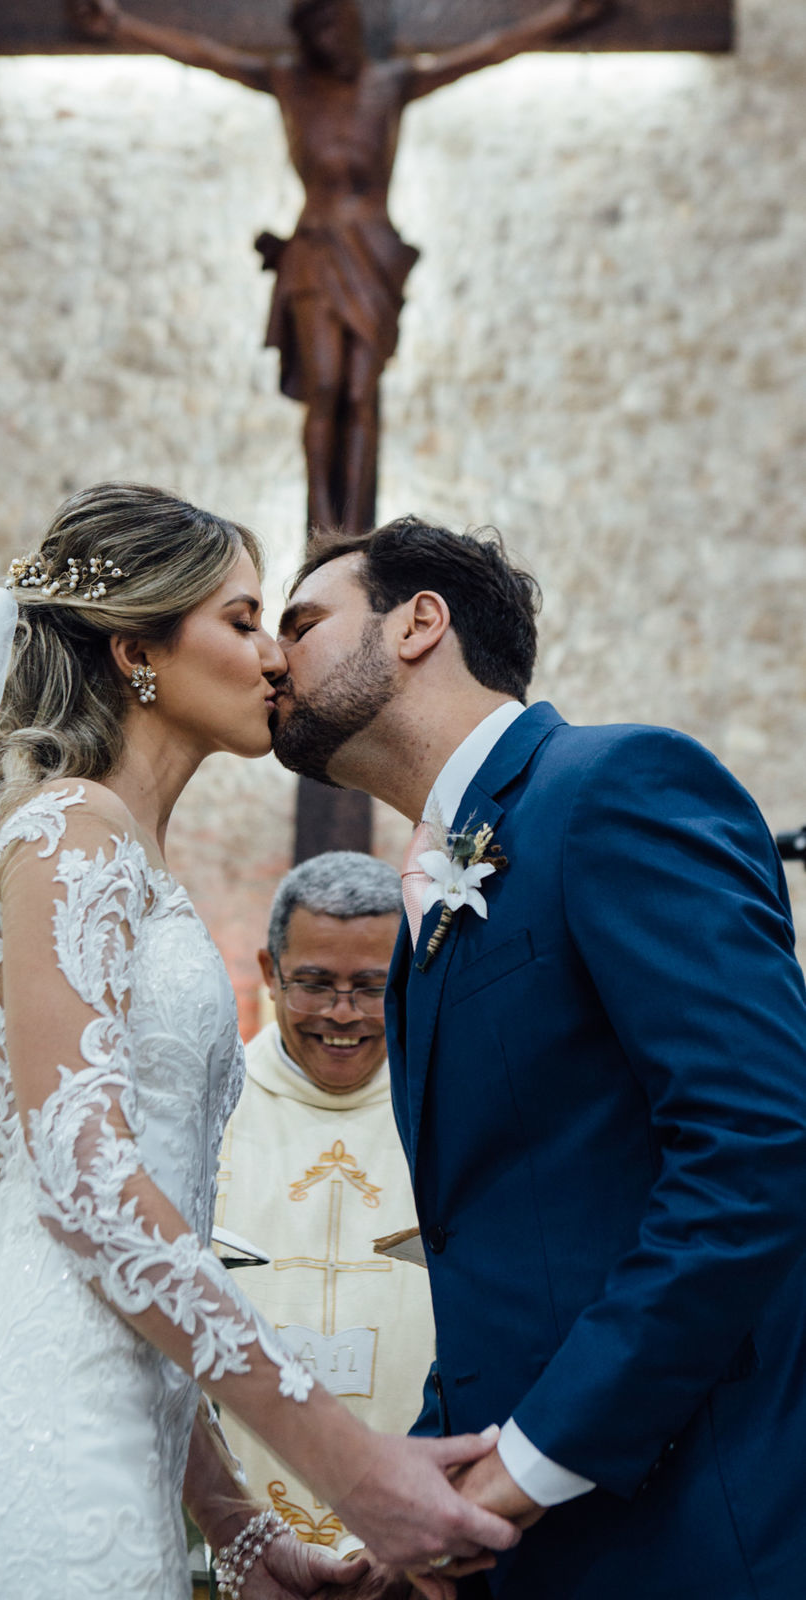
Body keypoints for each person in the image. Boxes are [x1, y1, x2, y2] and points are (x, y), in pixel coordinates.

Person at [0, 486, 521, 1600]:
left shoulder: (116, 852)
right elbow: (87, 1185)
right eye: (241, 620)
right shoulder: (70, 832)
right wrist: (348, 1464)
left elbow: (119, 1238)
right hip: (35, 1436)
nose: (272, 656)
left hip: (105, 1434)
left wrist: (236, 1528)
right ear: (136, 651)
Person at [270, 514, 806, 1599]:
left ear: (418, 622)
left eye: (300, 623)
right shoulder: (423, 918)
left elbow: (758, 1145)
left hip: (691, 1525)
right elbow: (506, 1250)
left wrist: (524, 1466)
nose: (271, 660)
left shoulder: (615, 783)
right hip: (536, 1548)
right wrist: (426, 1497)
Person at [73, 0, 606, 532]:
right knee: (324, 387)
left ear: (351, 26)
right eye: (319, 35)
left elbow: (486, 50)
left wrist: (561, 17)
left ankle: (355, 529)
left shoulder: (391, 83)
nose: (329, 43)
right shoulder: (289, 82)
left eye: (336, 30)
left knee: (360, 393)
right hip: (315, 249)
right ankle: (321, 529)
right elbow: (205, 53)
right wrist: (120, 24)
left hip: (372, 253)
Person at [217, 853, 435, 1551]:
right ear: (269, 972)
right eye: (314, 984)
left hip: (418, 1526)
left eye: (370, 987)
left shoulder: (447, 1112)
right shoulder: (207, 1110)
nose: (343, 1015)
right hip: (232, 1527)